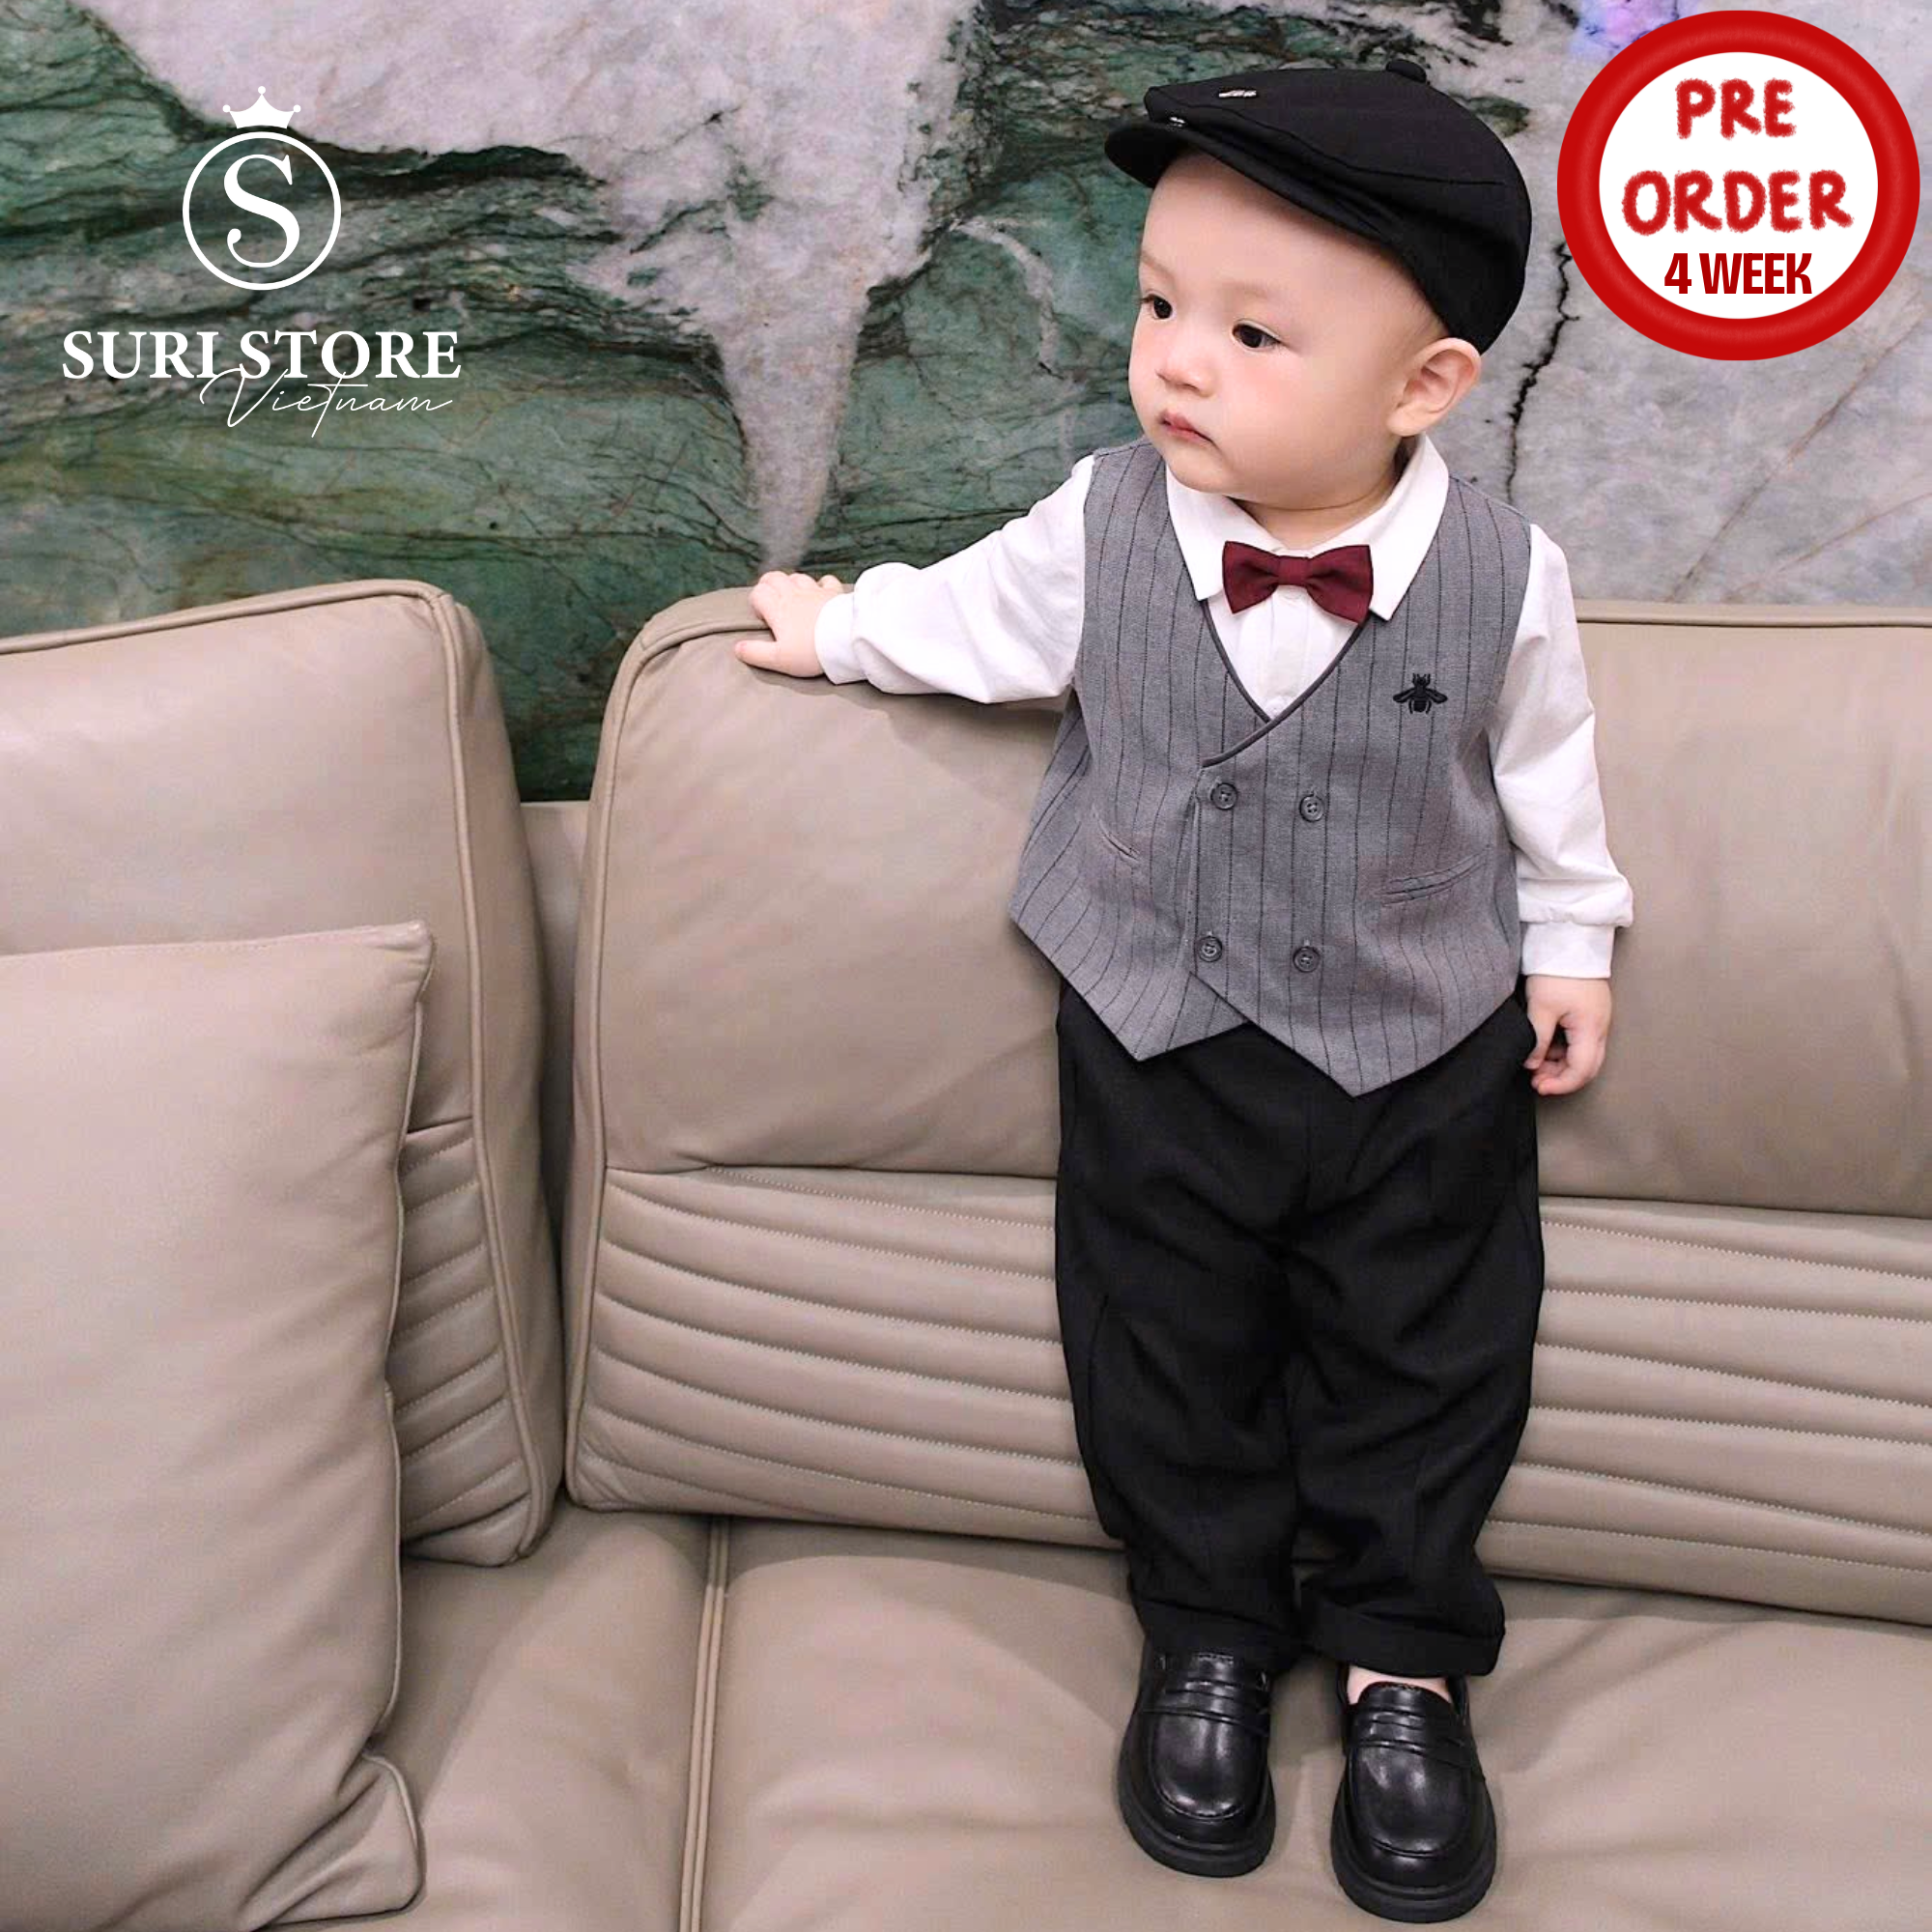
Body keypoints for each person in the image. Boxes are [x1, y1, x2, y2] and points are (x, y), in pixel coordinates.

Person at [736, 55, 1634, 1922]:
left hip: (1419, 1037)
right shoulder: (1104, 524)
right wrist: (842, 628)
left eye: (1250, 331)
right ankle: (1208, 1626)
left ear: (1423, 386)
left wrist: (1572, 939)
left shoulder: (1503, 573)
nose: (1177, 364)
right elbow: (973, 620)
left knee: (1431, 1347)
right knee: (1163, 1340)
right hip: (1160, 1022)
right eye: (1159, 307)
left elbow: (1544, 767)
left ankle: (1401, 1659)